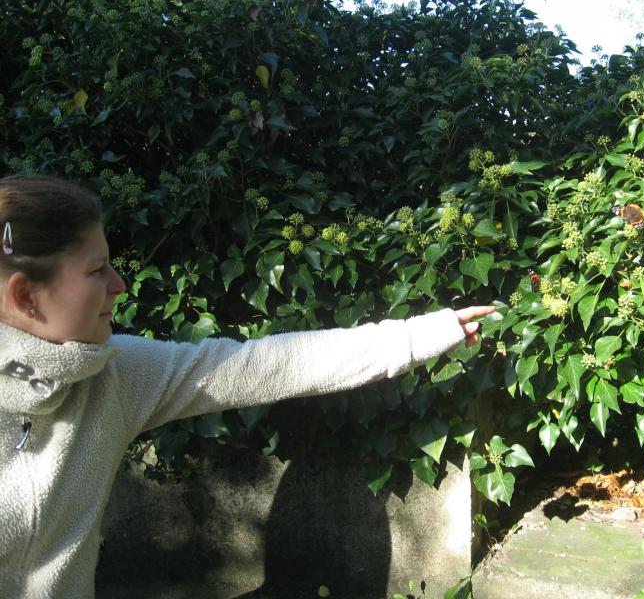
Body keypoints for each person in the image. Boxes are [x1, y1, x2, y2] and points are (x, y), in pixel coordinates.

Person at [0, 174, 495, 598]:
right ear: (26, 297)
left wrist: (421, 334)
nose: (119, 284)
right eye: (96, 271)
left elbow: (265, 366)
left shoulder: (116, 375)